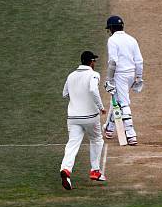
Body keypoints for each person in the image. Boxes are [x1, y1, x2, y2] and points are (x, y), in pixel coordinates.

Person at [60, 51, 106, 190]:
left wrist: (77, 97)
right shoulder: (93, 74)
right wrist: (101, 107)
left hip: (73, 117)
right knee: (97, 140)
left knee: (72, 144)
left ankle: (66, 170)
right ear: (91, 62)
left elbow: (65, 94)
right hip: (90, 116)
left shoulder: (71, 75)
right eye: (94, 61)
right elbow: (93, 90)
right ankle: (95, 171)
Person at [103, 16, 144, 146]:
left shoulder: (112, 40)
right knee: (116, 100)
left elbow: (113, 62)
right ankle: (109, 129)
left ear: (111, 28)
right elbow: (139, 61)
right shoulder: (132, 39)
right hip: (131, 74)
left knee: (124, 103)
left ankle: (131, 134)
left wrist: (109, 79)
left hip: (119, 75)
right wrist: (138, 77)